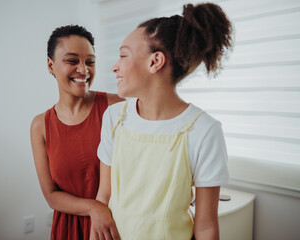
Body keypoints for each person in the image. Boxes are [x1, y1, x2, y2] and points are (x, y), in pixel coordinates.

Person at [95, 3, 233, 240]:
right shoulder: (113, 118)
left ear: (155, 61)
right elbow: (103, 199)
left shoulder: (204, 130)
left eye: (123, 55)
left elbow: (206, 226)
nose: (114, 66)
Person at [30, 25, 122, 240]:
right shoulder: (40, 125)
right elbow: (52, 196)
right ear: (50, 65)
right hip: (68, 230)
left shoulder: (115, 107)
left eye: (90, 62)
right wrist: (94, 208)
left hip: (115, 225)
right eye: (72, 61)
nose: (84, 70)